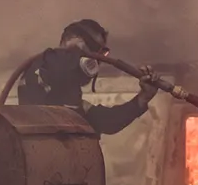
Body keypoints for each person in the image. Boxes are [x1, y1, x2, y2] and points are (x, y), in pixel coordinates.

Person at [17, 18, 160, 134]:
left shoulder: (71, 99)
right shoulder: (43, 66)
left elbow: (107, 121)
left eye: (100, 54)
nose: (96, 61)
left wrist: (142, 98)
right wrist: (73, 53)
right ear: (71, 40)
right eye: (92, 49)